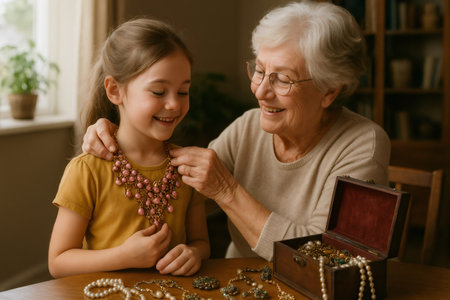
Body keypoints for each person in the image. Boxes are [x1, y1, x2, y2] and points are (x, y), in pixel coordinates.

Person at [81, 1, 390, 262]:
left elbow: (327, 259)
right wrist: (118, 136)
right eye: (259, 70)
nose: (261, 91)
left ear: (329, 91)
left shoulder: (363, 144)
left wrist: (227, 190)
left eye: (282, 79)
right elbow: (175, 189)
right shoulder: (248, 126)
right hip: (238, 285)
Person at [48, 18, 210, 278]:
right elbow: (58, 262)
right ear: (115, 91)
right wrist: (123, 256)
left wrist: (194, 254)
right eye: (158, 92)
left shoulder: (186, 168)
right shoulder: (86, 170)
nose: (174, 105)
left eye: (183, 92)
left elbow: (201, 243)